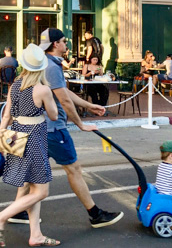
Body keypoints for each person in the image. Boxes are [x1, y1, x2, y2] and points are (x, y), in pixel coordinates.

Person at [9, 28, 124, 228]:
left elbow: (64, 93)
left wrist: (88, 105)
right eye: (63, 41)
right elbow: (64, 100)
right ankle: (95, 214)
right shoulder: (52, 67)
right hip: (53, 130)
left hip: (35, 128)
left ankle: (19, 211)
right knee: (73, 168)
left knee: (30, 172)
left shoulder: (43, 64)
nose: (66, 44)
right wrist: (81, 124)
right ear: (55, 44)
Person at [0, 44, 60, 247]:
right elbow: (54, 115)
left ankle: (35, 234)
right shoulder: (43, 89)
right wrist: (49, 100)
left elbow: (6, 115)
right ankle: (1, 216)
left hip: (16, 137)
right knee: (42, 191)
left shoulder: (15, 86)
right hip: (34, 139)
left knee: (30, 186)